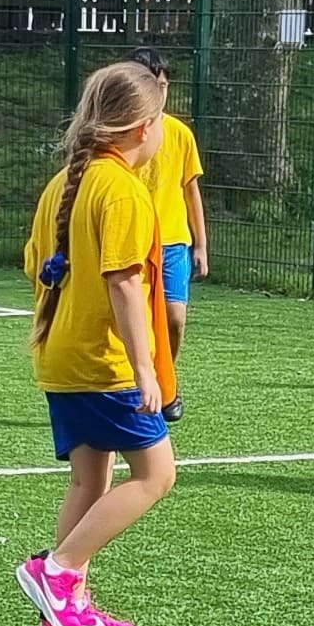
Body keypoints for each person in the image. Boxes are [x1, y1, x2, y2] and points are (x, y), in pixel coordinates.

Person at [14, 63, 173, 626]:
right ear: (142, 128)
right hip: (101, 364)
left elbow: (36, 264)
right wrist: (145, 368)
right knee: (156, 475)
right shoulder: (123, 190)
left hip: (61, 357)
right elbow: (124, 284)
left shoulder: (65, 182)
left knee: (89, 480)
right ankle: (56, 572)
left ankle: (64, 608)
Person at [131, 48, 209, 416]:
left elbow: (191, 189)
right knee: (133, 318)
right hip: (133, 241)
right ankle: (136, 383)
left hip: (174, 242)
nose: (160, 92)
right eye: (152, 85)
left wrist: (201, 245)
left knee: (174, 317)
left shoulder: (179, 134)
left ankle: (167, 381)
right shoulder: (123, 134)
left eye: (164, 85)